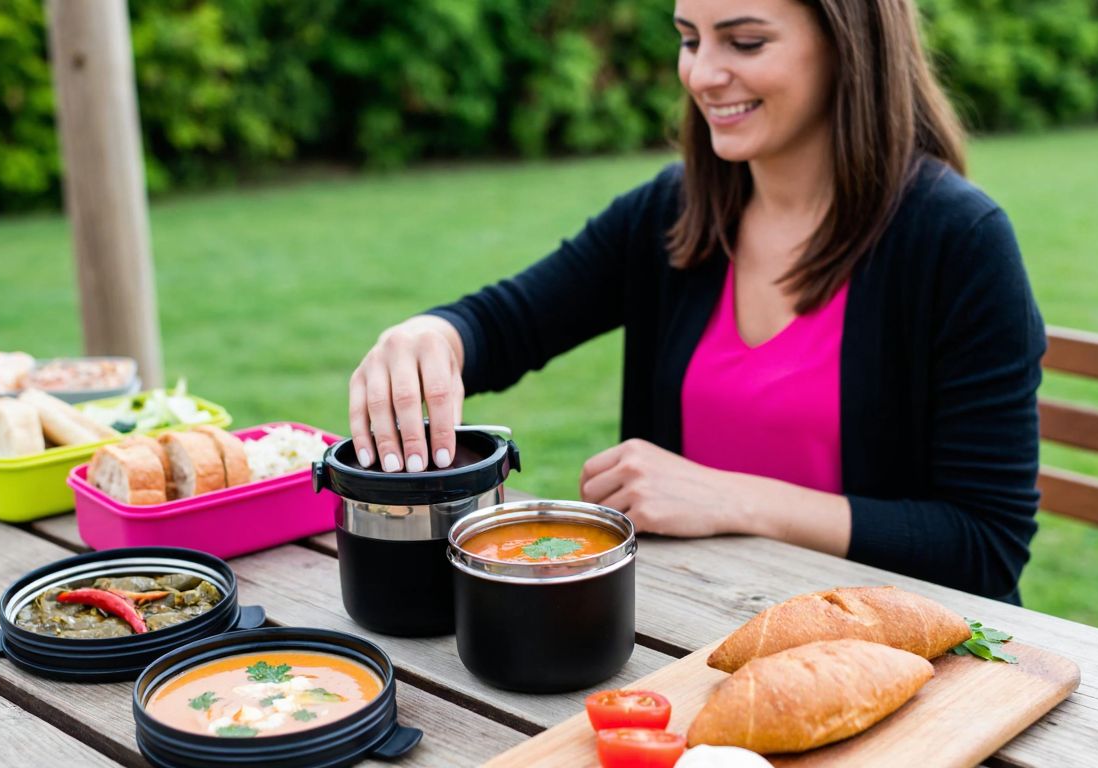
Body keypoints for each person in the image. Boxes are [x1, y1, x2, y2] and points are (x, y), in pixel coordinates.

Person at [346, 0, 1046, 603]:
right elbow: (508, 323)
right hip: (698, 629)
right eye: (689, 38)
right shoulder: (673, 210)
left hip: (898, 659)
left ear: (848, 44)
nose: (703, 74)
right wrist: (434, 336)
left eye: (745, 42)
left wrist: (732, 498)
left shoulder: (957, 241)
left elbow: (984, 545)